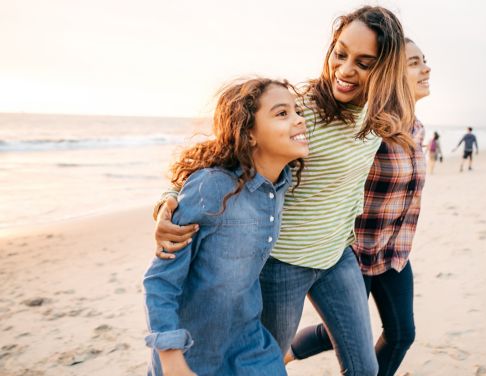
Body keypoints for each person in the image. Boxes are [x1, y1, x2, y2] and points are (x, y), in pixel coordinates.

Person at [152, 6, 415, 375]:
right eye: (340, 54)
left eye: (364, 62)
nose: (344, 70)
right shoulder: (299, 110)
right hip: (283, 265)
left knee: (364, 368)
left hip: (338, 257)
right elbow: (221, 151)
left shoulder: (379, 116)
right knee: (264, 362)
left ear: (385, 69)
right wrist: (167, 200)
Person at [143, 78, 309, 376]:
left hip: (251, 345)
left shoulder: (279, 185)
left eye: (297, 112)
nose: (300, 120)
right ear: (249, 133)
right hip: (192, 351)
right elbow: (160, 280)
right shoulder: (211, 185)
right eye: (282, 113)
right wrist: (170, 357)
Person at [284, 38, 430, 376]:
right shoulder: (367, 126)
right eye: (413, 63)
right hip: (353, 252)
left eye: (424, 60)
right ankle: (286, 352)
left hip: (393, 251)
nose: (426, 68)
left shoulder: (417, 128)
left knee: (401, 334)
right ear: (389, 74)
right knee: (345, 336)